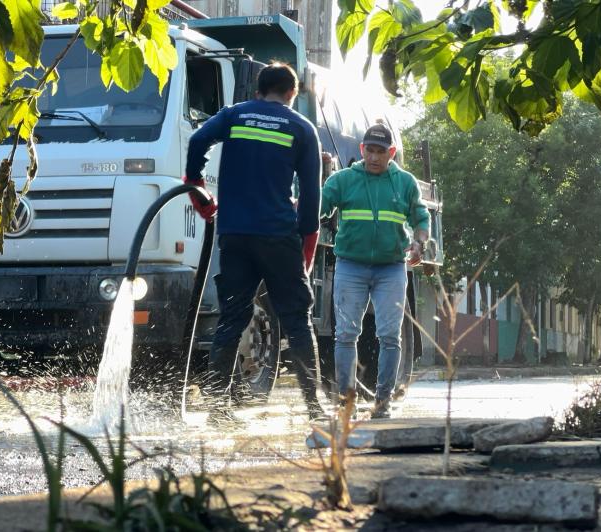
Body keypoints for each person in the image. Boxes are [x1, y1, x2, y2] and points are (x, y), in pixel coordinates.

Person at [183, 62, 324, 424]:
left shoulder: (235, 115)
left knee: (231, 317)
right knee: (296, 319)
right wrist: (307, 247)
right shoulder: (301, 128)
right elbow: (311, 196)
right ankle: (314, 408)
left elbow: (198, 140)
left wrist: (196, 187)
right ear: (292, 94)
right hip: (278, 236)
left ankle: (217, 409)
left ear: (257, 92)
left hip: (234, 234)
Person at [320, 122, 430, 419]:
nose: (374, 157)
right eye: (370, 150)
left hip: (391, 268)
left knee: (390, 336)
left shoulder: (405, 183)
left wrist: (420, 244)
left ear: (391, 153)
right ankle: (346, 402)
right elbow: (319, 206)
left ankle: (383, 403)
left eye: (381, 152)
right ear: (362, 150)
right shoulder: (343, 181)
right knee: (345, 335)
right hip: (350, 266)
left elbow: (421, 219)